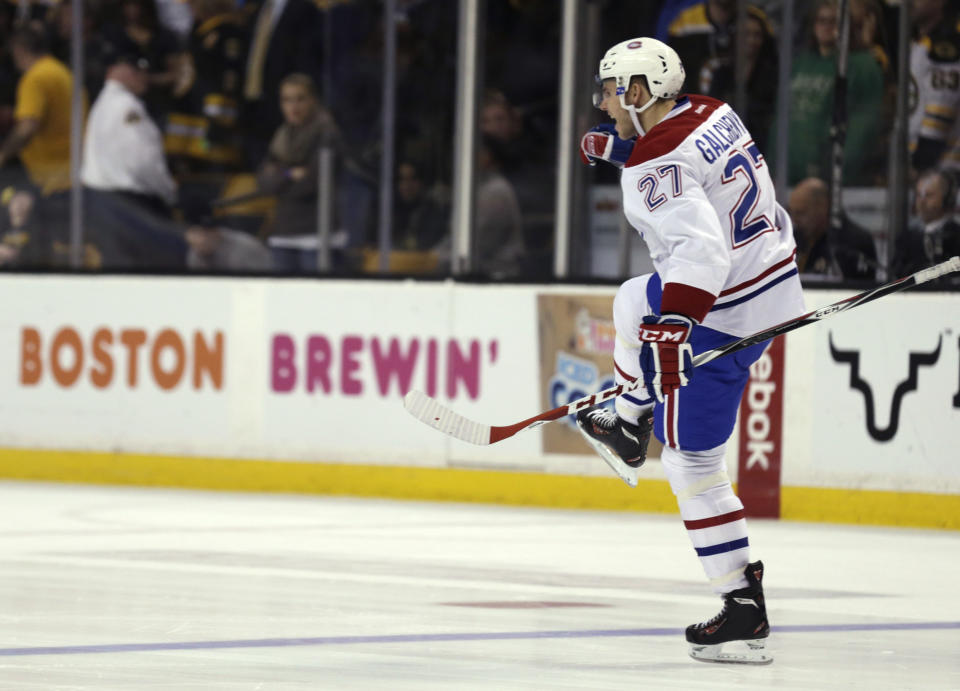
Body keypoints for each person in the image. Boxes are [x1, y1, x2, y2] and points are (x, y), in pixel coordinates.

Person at [577, 37, 806, 665]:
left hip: (723, 309)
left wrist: (677, 322)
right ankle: (628, 422)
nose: (604, 100)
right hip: (772, 285)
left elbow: (700, 249)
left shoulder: (655, 163)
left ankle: (741, 606)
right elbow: (693, 175)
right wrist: (625, 150)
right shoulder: (710, 110)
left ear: (640, 91)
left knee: (692, 466)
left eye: (612, 88)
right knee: (630, 302)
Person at [785, 0, 885, 186]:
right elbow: (782, 120)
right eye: (821, 21)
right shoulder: (801, 63)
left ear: (847, 26)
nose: (826, 27)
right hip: (790, 173)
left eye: (833, 21)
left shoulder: (863, 66)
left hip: (836, 179)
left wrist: (836, 170)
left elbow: (863, 125)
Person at [0, 26, 76, 264]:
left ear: (20, 51)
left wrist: (2, 154)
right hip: (69, 170)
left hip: (46, 177)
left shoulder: (36, 77)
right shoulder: (63, 72)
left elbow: (27, 126)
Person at [256, 73, 340, 273]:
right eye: (287, 100)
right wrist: (289, 174)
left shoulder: (326, 133)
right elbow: (264, 182)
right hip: (283, 233)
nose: (293, 107)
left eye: (300, 99)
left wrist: (279, 178)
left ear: (313, 100)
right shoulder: (281, 137)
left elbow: (311, 183)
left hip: (316, 236)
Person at [82, 53, 178, 218]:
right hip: (128, 203)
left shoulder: (102, 104)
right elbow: (144, 160)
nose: (144, 77)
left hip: (100, 200)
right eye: (137, 71)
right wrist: (168, 191)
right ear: (117, 70)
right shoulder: (127, 106)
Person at [788, 177, 878, 280]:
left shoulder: (852, 243)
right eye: (791, 212)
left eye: (801, 213)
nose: (794, 220)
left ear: (822, 207)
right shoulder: (796, 237)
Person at [908, 0, 960, 174]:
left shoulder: (947, 42)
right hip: (927, 174)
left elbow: (939, 113)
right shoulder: (920, 42)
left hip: (942, 173)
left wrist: (919, 167)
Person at [893, 169, 960, 278]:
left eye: (929, 195)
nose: (922, 201)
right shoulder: (906, 238)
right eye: (919, 195)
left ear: (947, 199)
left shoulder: (956, 236)